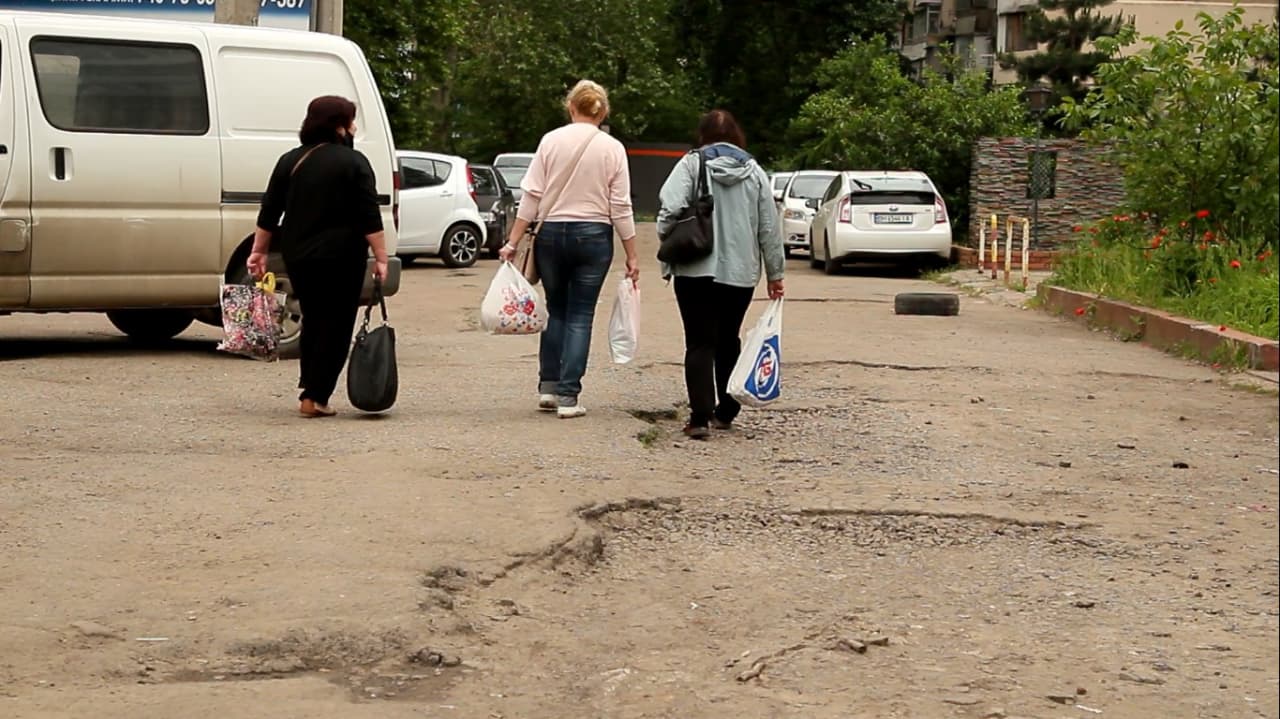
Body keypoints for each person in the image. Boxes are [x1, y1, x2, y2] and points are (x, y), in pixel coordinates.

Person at [499, 80, 640, 419]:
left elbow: (531, 195)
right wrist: (632, 254)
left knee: (555, 310)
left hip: (550, 236)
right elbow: (620, 205)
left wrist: (512, 241)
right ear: (602, 111)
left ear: (570, 107)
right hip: (594, 236)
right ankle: (569, 397)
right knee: (580, 314)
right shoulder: (612, 148)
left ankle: (548, 387)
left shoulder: (551, 141)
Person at [248, 95, 389, 418]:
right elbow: (369, 216)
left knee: (314, 318)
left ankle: (309, 390)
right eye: (351, 121)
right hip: (342, 256)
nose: (354, 127)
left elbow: (270, 210)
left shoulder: (289, 160)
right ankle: (316, 395)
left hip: (299, 255)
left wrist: (259, 251)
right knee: (336, 324)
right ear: (340, 126)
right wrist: (381, 257)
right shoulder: (354, 163)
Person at [656, 109, 785, 440]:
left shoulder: (691, 164)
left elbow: (669, 208)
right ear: (737, 135)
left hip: (695, 268)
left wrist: (667, 238)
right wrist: (775, 273)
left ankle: (699, 419)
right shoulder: (754, 172)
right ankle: (726, 411)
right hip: (740, 274)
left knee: (699, 342)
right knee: (728, 339)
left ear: (703, 135)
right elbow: (769, 227)